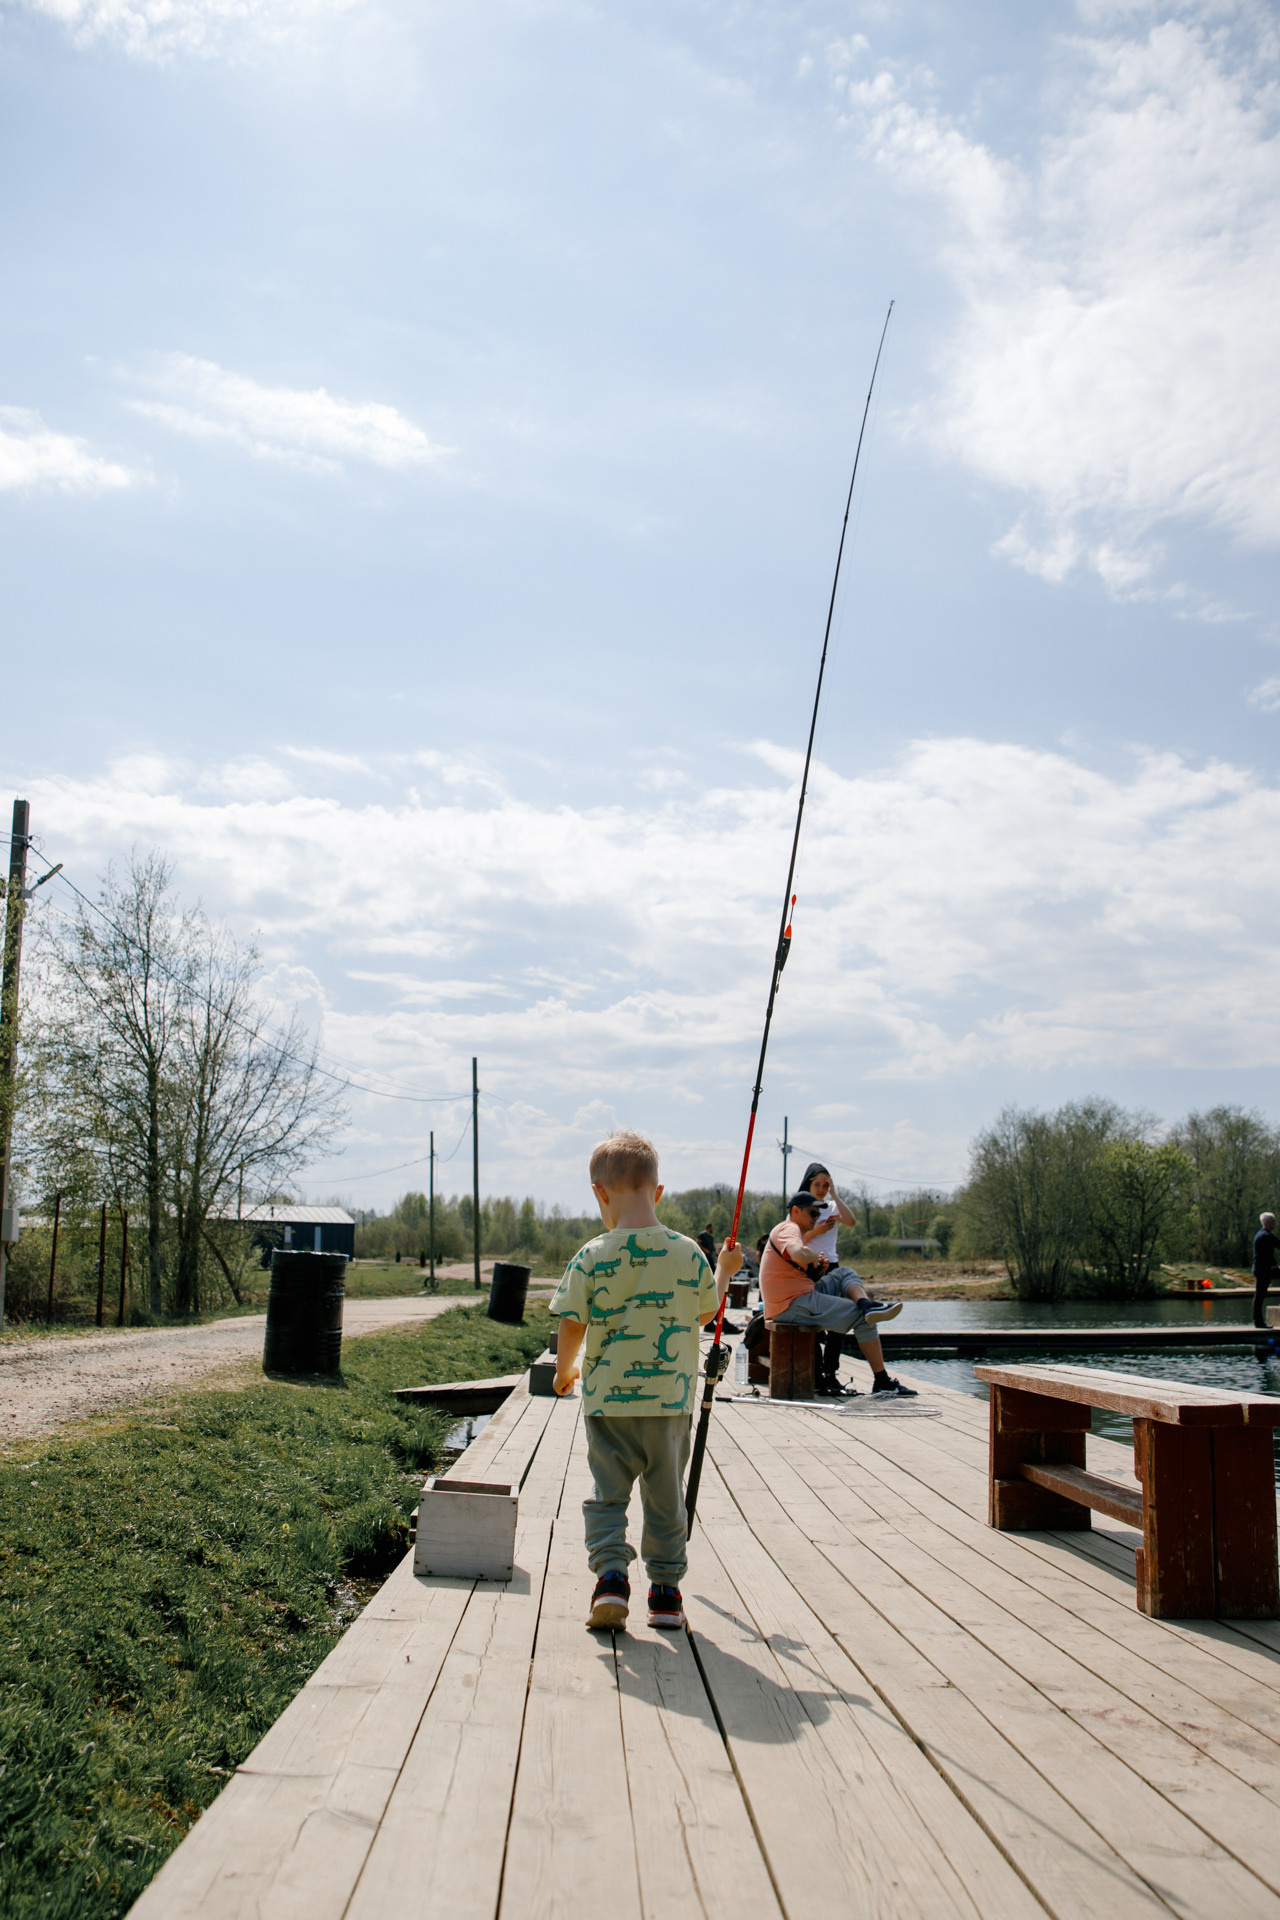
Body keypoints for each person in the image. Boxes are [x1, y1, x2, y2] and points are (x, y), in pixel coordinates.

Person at [551, 1130, 743, 1632]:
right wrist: (724, 1270)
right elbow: (705, 1314)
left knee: (607, 1496)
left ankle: (612, 1578)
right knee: (665, 1498)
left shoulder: (591, 1255)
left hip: (608, 1406)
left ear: (600, 1194)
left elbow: (571, 1323)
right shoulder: (688, 1254)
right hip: (671, 1405)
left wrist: (564, 1369)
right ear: (658, 1192)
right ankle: (665, 1593)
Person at [761, 1189, 916, 1397]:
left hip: (797, 1297)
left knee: (844, 1273)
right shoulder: (788, 1228)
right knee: (864, 1320)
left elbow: (796, 1271)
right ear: (796, 1211)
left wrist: (818, 1270)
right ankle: (882, 1381)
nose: (816, 1219)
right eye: (812, 1213)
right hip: (791, 1305)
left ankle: (865, 1303)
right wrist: (814, 1254)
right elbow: (798, 1253)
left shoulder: (793, 1231)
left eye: (819, 1214)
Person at [1253, 1211, 1279, 1330]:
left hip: (1261, 1268)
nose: (1275, 1223)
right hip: (1263, 1269)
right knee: (1260, 1295)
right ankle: (1258, 1322)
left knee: (1259, 1295)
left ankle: (1258, 1322)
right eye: (1273, 1221)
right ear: (1267, 1223)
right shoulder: (1266, 1236)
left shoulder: (1261, 1234)